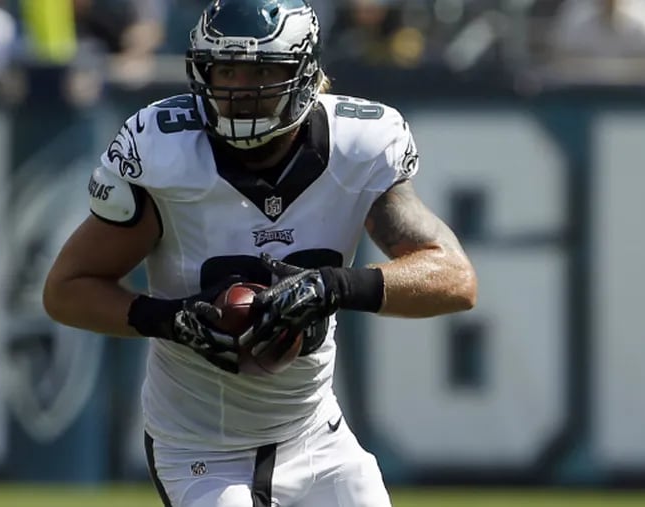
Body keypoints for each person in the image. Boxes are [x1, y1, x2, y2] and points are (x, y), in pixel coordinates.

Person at [43, 0, 477, 505]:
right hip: (198, 446)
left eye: (261, 71)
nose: (240, 91)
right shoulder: (164, 154)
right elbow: (66, 290)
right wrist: (170, 318)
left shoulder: (359, 146)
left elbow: (454, 278)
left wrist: (333, 286)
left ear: (305, 75)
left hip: (316, 436)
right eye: (226, 69)